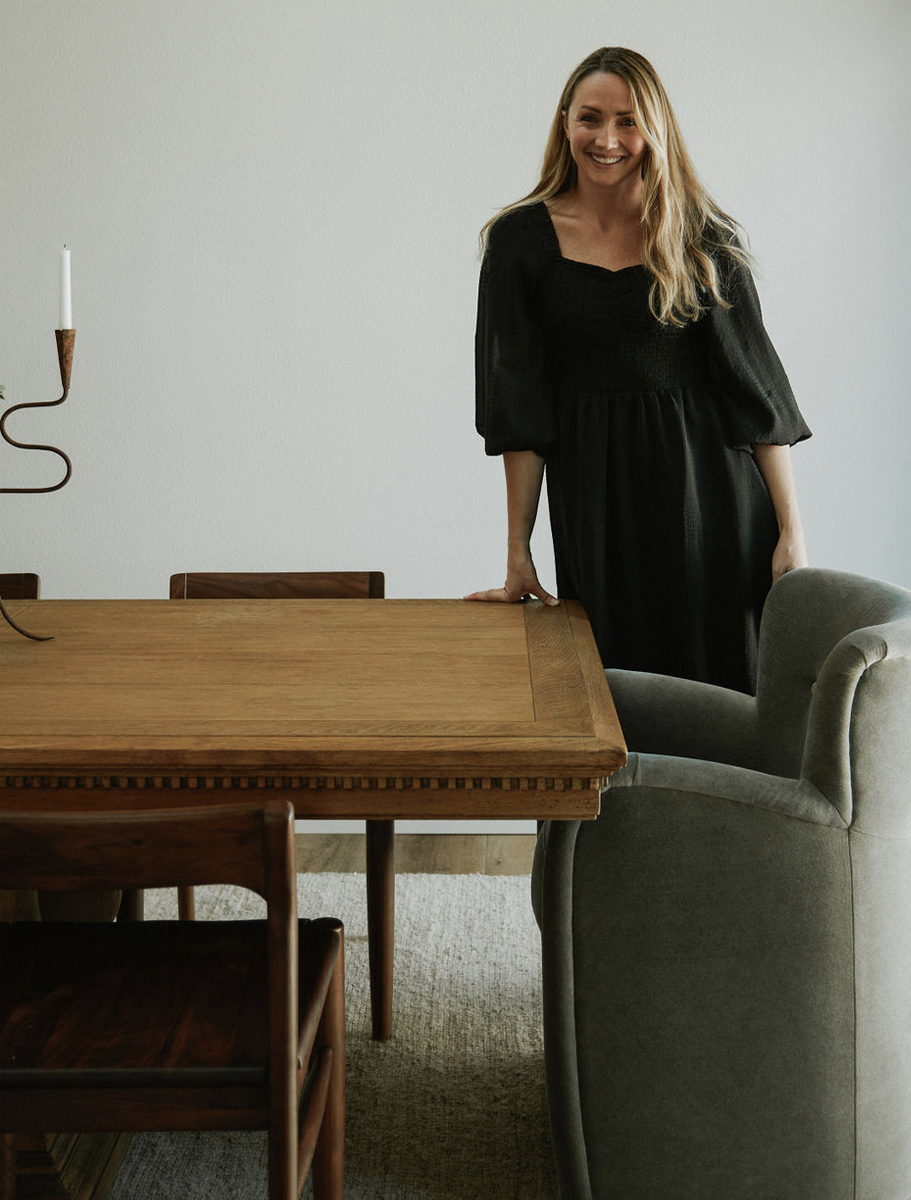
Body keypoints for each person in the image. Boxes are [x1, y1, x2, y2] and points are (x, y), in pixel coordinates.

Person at [466, 46, 811, 694]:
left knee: (720, 685)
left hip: (708, 496)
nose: (606, 139)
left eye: (627, 121)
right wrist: (518, 549)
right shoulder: (518, 242)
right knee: (614, 691)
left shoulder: (701, 239)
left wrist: (791, 533)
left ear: (654, 128)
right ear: (564, 122)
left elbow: (757, 396)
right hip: (594, 497)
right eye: (590, 118)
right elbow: (520, 413)